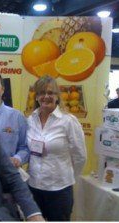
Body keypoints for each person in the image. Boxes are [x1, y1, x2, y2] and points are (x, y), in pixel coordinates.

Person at [27, 75, 87, 221]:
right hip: (33, 186)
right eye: (41, 93)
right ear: (36, 96)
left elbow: (80, 156)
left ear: (57, 97)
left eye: (50, 93)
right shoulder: (30, 120)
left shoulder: (68, 121)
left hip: (59, 190)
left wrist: (67, 176)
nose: (46, 96)